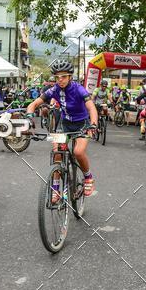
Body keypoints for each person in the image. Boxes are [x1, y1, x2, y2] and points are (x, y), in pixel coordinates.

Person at [26, 59, 98, 201]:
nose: (60, 80)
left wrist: (94, 124)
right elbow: (33, 104)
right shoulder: (54, 90)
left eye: (64, 76)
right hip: (64, 124)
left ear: (70, 76)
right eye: (57, 77)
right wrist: (29, 117)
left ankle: (88, 177)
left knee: (78, 152)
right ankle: (56, 188)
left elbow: (91, 108)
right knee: (57, 154)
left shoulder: (79, 89)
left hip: (81, 124)